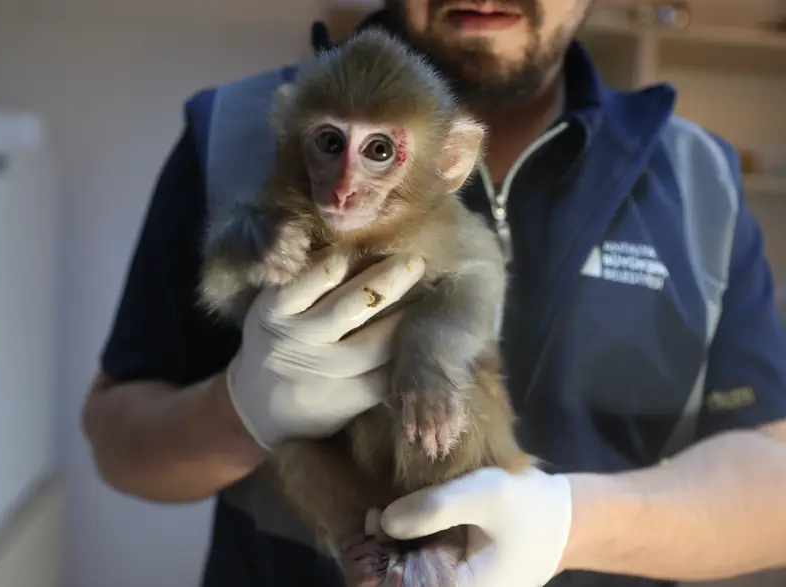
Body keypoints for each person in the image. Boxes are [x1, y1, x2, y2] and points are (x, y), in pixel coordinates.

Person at [81, 1, 786, 586]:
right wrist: (242, 409)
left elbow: (774, 479)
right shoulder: (229, 128)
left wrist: (570, 521)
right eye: (329, 144)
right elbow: (114, 438)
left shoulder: (702, 180)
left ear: (450, 159)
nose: (347, 183)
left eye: (380, 151)